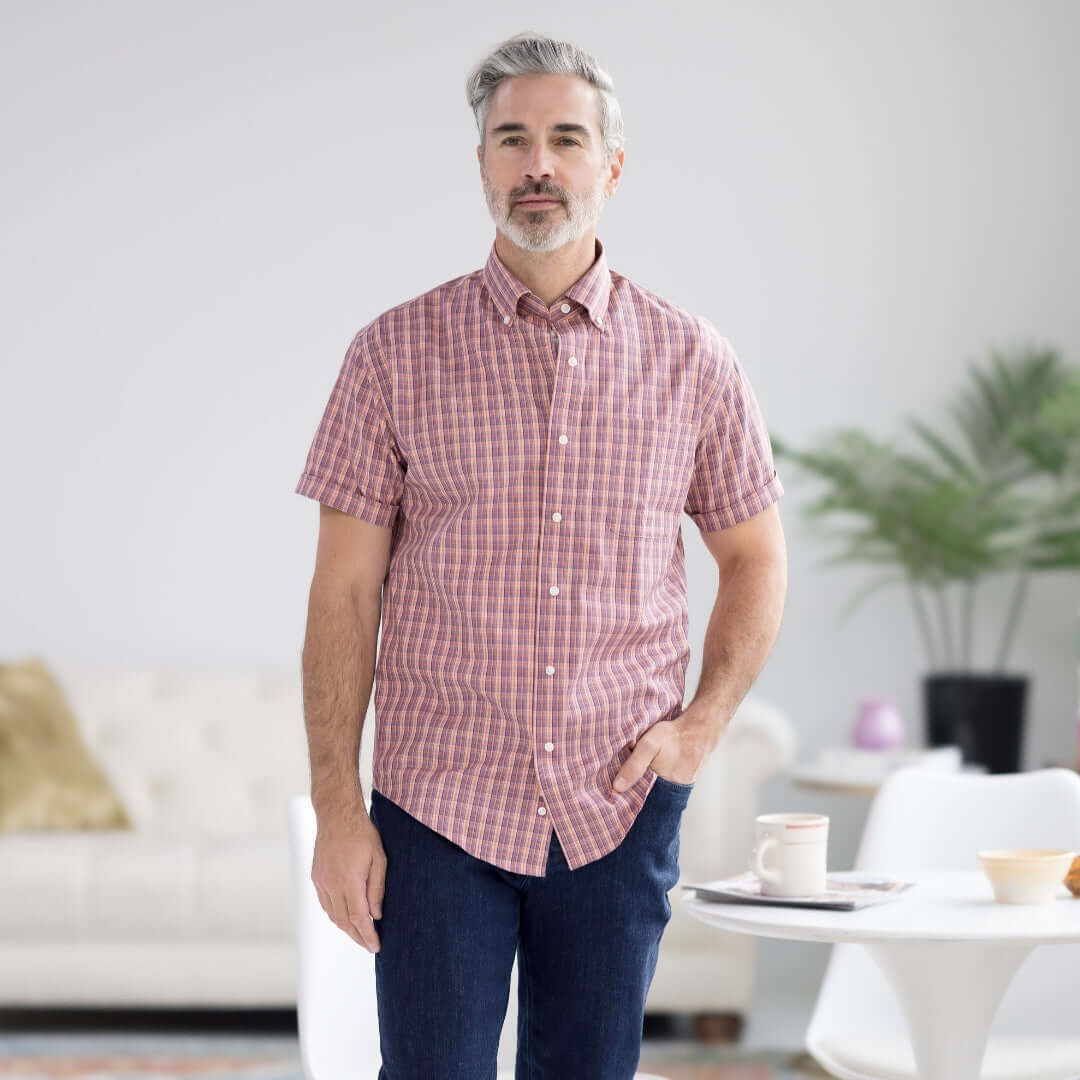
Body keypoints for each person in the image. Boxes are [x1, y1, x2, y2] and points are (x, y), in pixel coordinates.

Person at [294, 30, 788, 1080]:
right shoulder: (392, 353)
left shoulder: (696, 361)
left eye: (566, 138)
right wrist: (340, 812)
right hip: (438, 808)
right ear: (481, 165)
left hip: (619, 802)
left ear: (611, 167)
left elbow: (756, 556)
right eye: (511, 139)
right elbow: (342, 594)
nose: (538, 164)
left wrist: (700, 729)